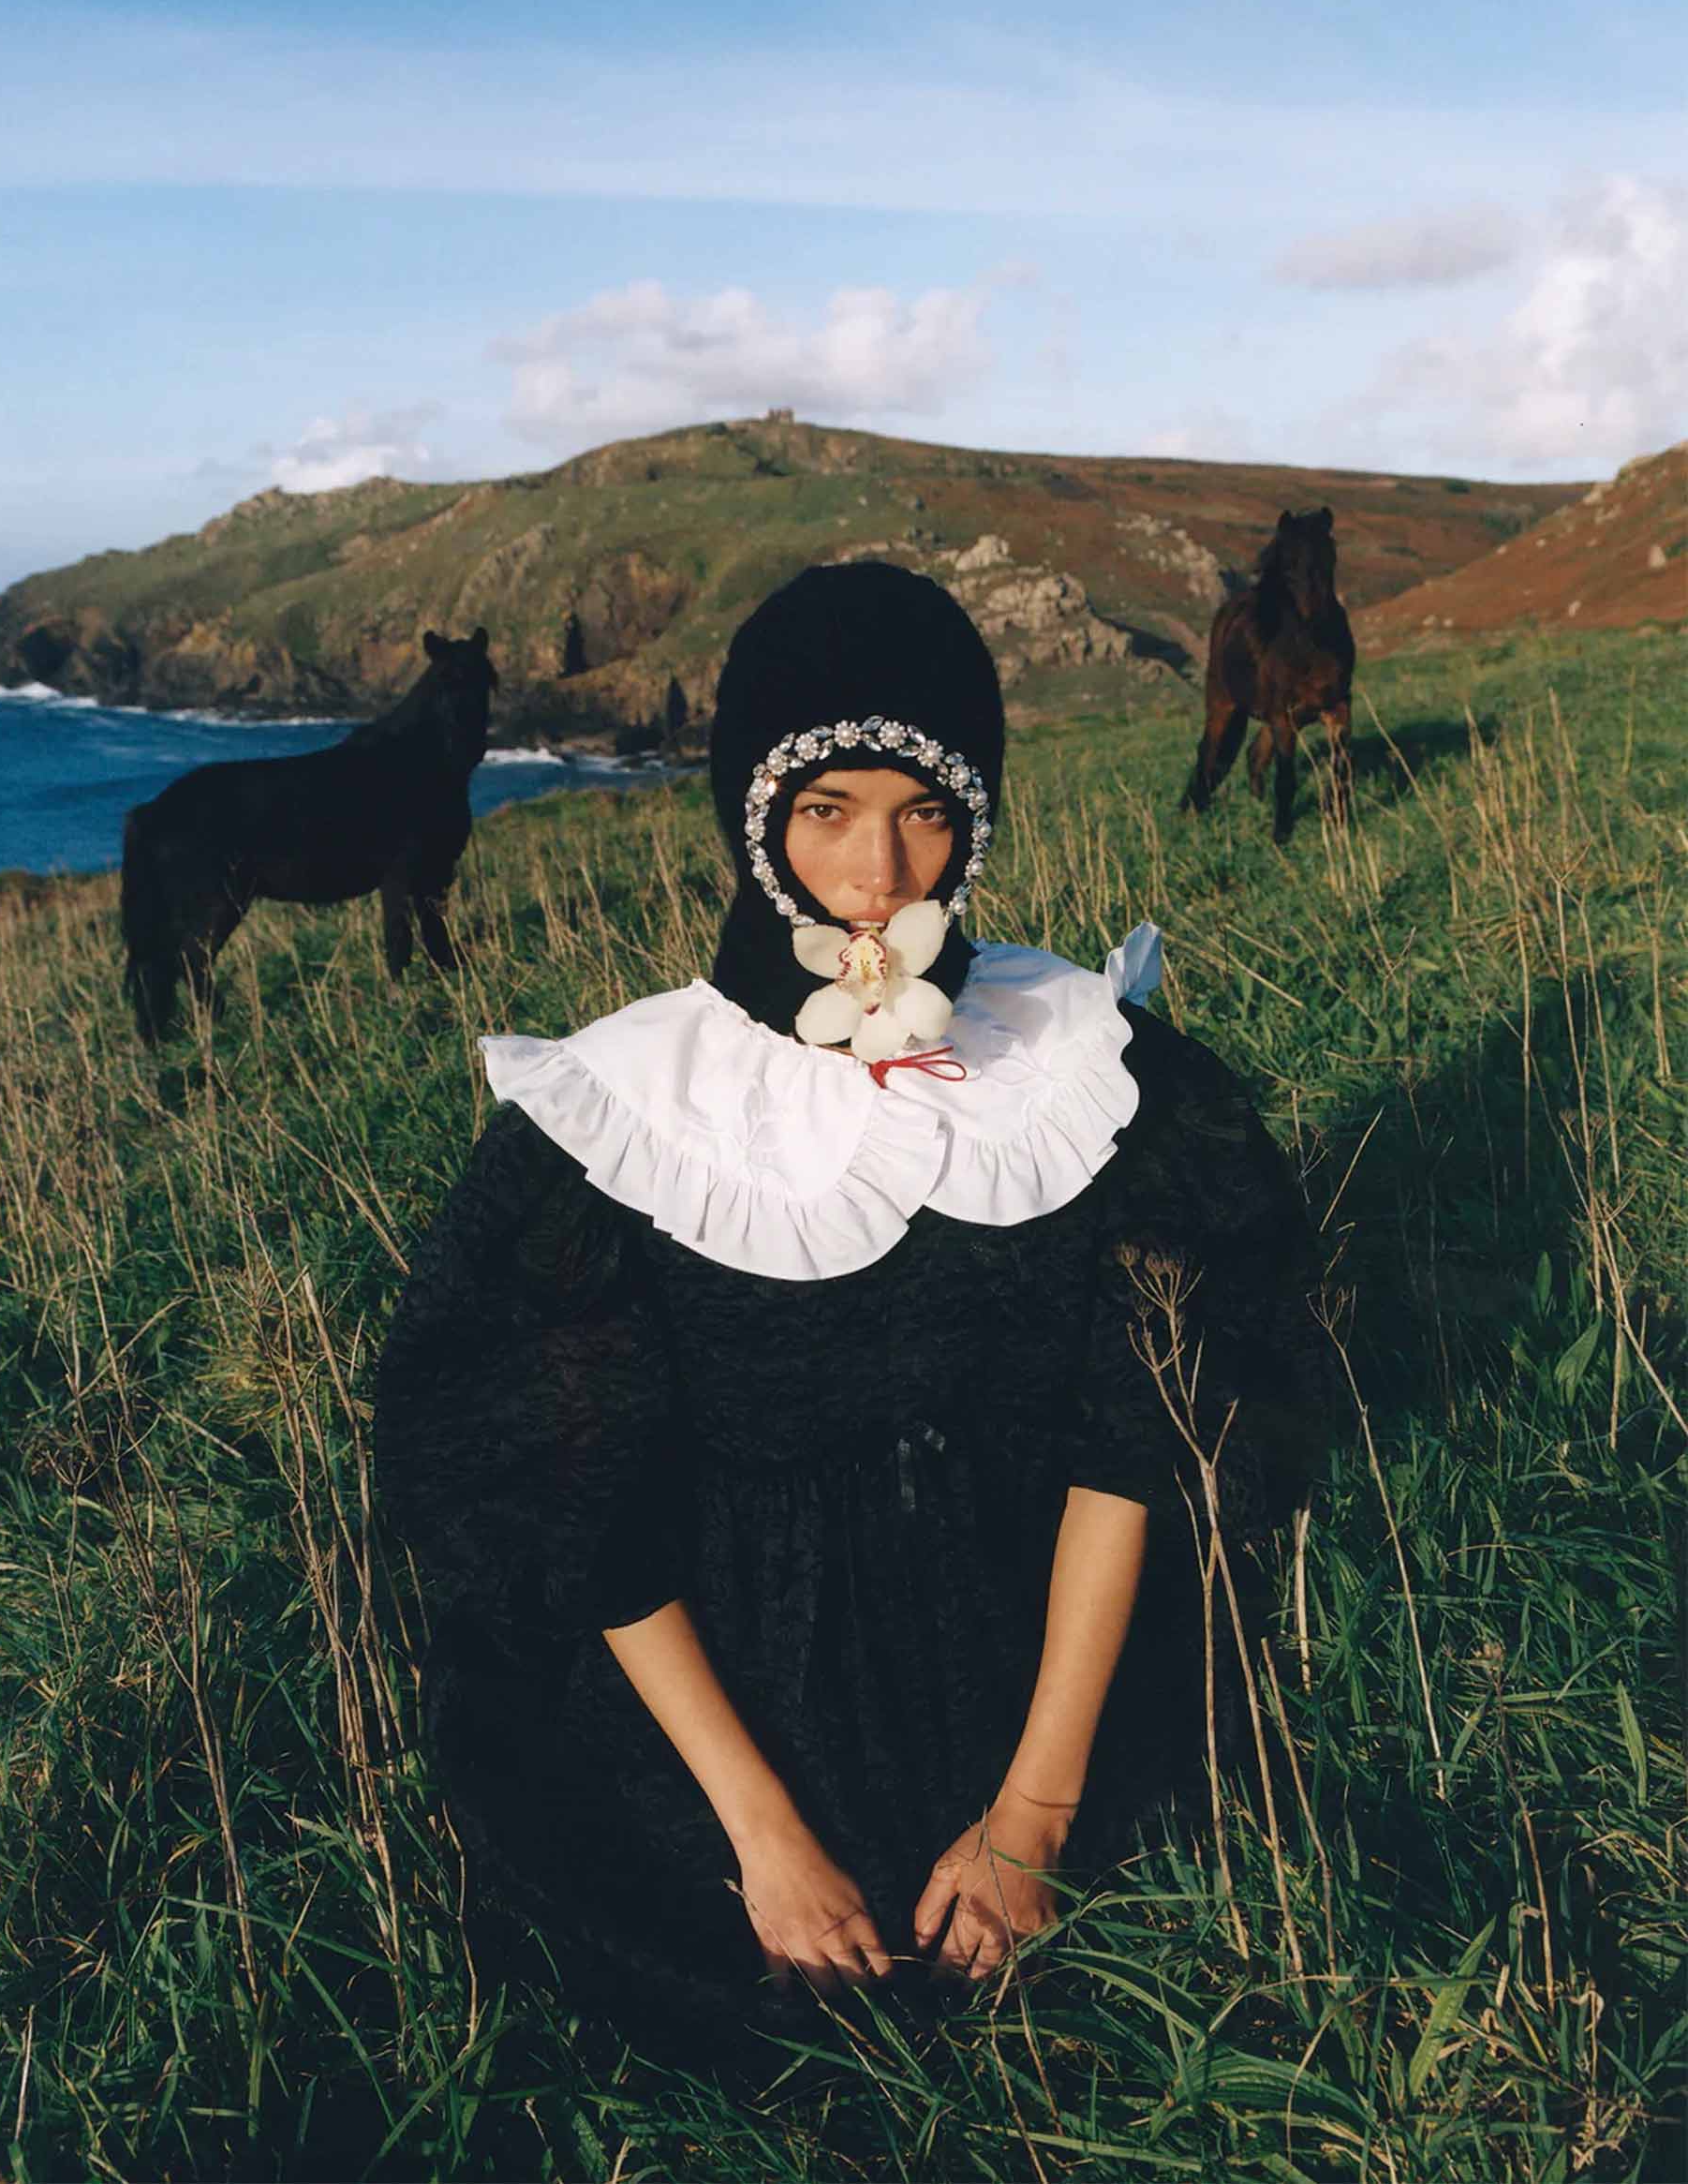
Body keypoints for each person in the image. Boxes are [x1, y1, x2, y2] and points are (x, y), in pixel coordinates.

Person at [372, 562, 1331, 2068]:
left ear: (978, 814)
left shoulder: (1083, 1062)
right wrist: (760, 1834)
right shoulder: (626, 1112)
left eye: (924, 811)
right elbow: (586, 1508)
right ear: (753, 814)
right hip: (739, 1684)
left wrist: (1036, 1810)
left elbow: (1134, 1433)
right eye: (825, 810)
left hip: (1038, 1640)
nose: (878, 874)